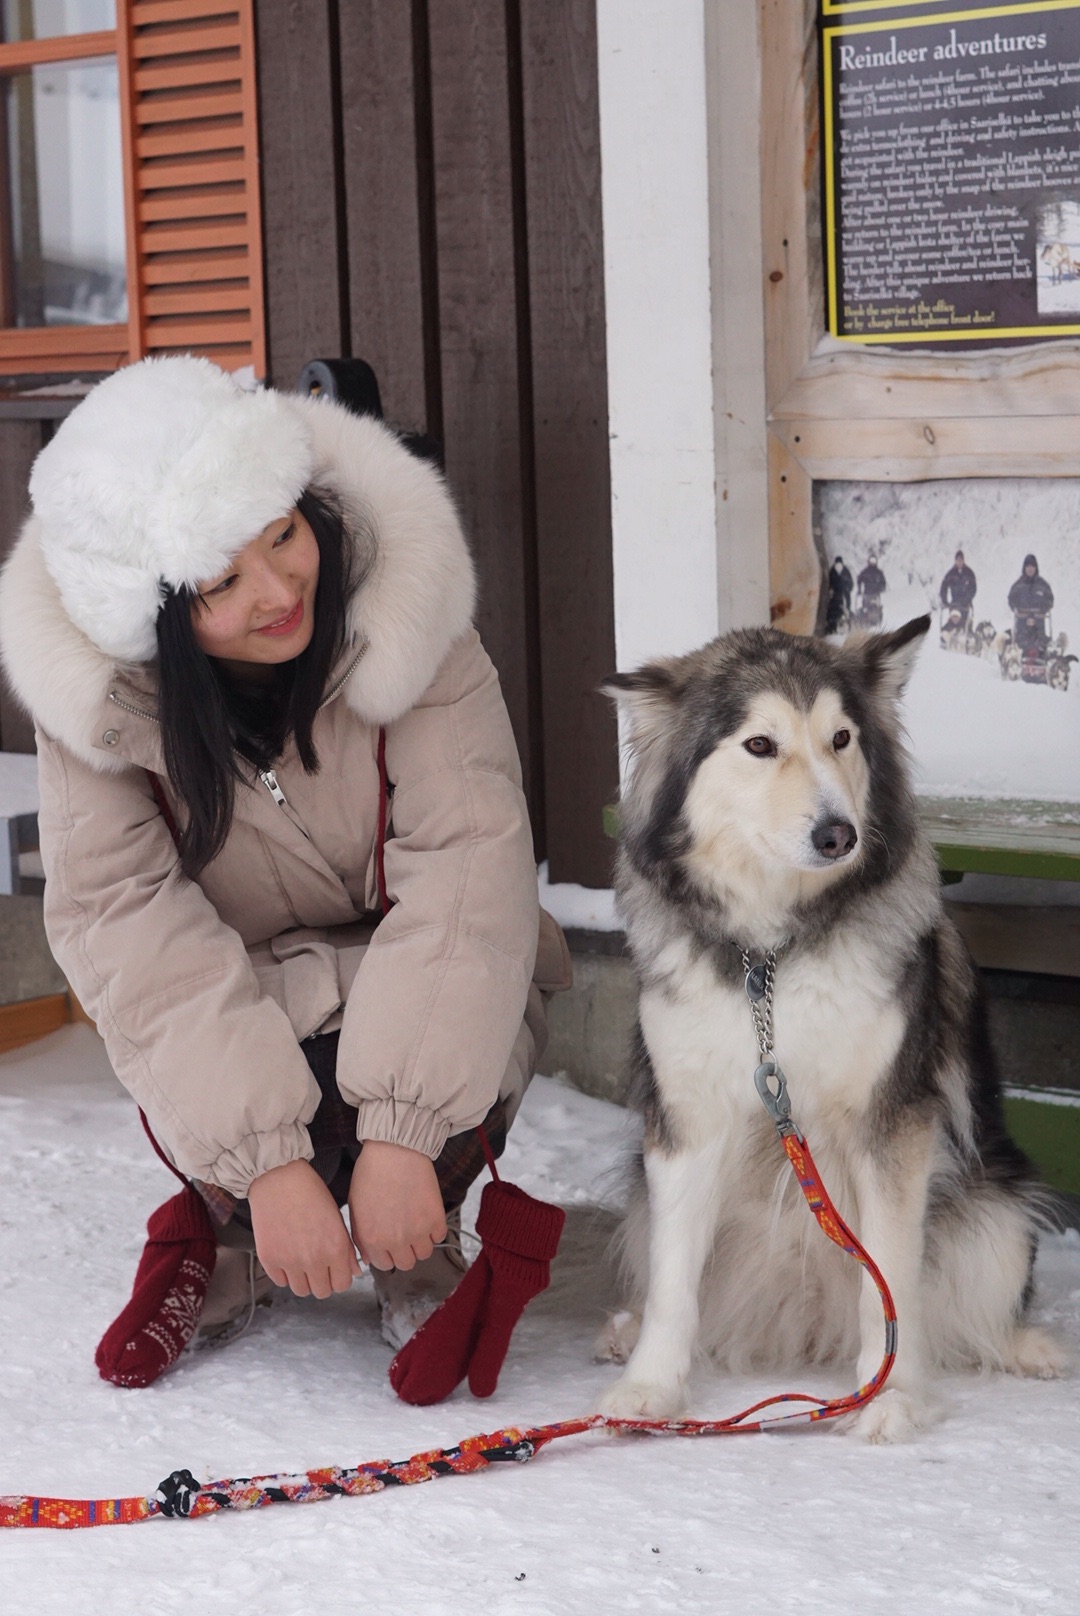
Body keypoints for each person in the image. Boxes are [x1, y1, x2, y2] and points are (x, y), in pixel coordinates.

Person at [0, 356, 570, 1367]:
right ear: (152, 622)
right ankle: (227, 1232)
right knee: (252, 1102)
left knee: (481, 1007)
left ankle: (414, 1239)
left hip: (412, 962)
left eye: (284, 535)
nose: (279, 590)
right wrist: (265, 1163)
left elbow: (469, 868)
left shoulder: (407, 613)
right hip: (244, 992)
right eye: (222, 582)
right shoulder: (98, 703)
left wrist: (401, 1135)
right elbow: (128, 930)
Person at [1008, 553, 1054, 653]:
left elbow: (1050, 600)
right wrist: (1018, 609)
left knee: (1041, 642)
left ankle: (1043, 658)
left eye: (1032, 566)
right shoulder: (1018, 585)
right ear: (1024, 568)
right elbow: (1011, 599)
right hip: (1022, 620)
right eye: (1027, 566)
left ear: (1036, 568)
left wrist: (1042, 611)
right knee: (1020, 642)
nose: (1030, 569)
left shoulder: (1043, 585)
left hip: (1039, 621)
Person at [939, 550, 977, 622]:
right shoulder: (951, 574)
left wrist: (968, 599)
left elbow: (973, 588)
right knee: (953, 623)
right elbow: (944, 586)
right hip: (954, 604)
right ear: (955, 561)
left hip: (966, 604)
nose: (959, 562)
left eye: (961, 560)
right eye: (958, 560)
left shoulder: (969, 573)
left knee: (966, 623)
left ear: (963, 560)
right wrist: (944, 600)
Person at [825, 555, 853, 634]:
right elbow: (829, 582)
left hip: (844, 593)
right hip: (836, 594)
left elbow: (850, 582)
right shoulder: (833, 571)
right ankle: (832, 626)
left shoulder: (844, 571)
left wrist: (847, 588)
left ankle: (845, 624)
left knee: (846, 609)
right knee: (833, 610)